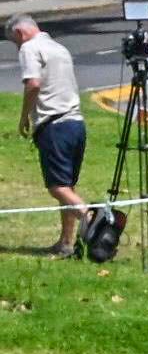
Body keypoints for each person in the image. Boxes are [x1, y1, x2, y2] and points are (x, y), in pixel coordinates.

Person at [13, 17, 86, 259]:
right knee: (68, 185)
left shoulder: (29, 47)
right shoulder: (59, 48)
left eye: (15, 41)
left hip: (54, 125)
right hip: (76, 123)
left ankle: (92, 218)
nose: (17, 46)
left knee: (57, 187)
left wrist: (24, 117)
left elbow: (33, 84)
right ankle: (66, 242)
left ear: (20, 32)